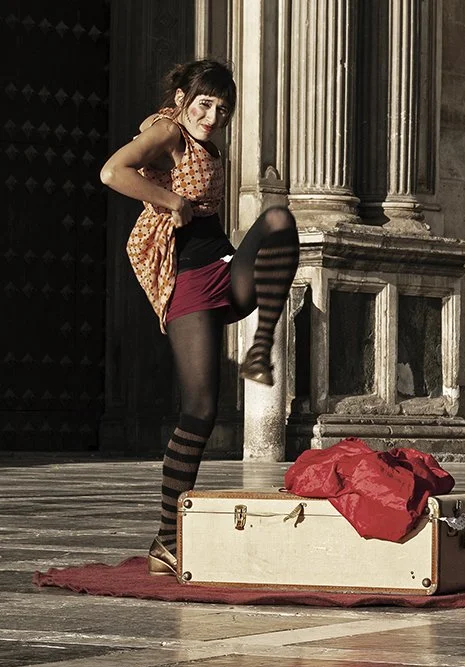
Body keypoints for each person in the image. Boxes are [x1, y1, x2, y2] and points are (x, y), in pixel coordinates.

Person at [100, 60, 299, 575]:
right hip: (187, 280)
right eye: (204, 104)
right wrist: (169, 200)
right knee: (200, 411)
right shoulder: (168, 132)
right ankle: (166, 540)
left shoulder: (209, 144)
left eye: (222, 110)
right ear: (182, 99)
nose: (212, 117)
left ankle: (260, 345)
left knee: (279, 219)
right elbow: (112, 172)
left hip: (222, 267)